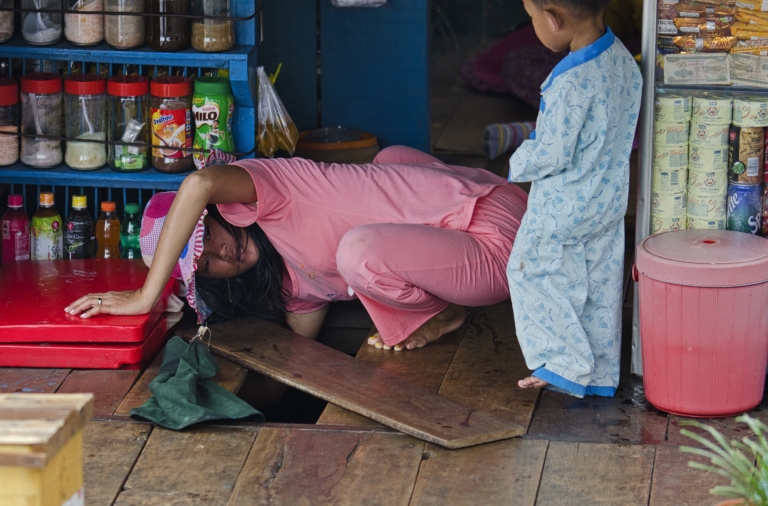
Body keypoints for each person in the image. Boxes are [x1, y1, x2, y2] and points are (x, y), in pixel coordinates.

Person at [65, 147, 528, 358]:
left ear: (219, 211)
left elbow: (200, 182)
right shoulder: (292, 282)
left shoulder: (275, 189)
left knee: (359, 251)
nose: (222, 256)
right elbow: (300, 352)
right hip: (485, 206)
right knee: (389, 160)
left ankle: (442, 314)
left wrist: (145, 296)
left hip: (497, 246)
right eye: (206, 266)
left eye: (209, 237)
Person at [506, 0, 642, 398]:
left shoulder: (570, 81)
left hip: (564, 205)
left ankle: (562, 362)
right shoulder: (623, 60)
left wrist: (517, 163)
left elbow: (552, 153)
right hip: (608, 198)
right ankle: (599, 374)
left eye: (532, 18)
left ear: (552, 18)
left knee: (533, 272)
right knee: (600, 282)